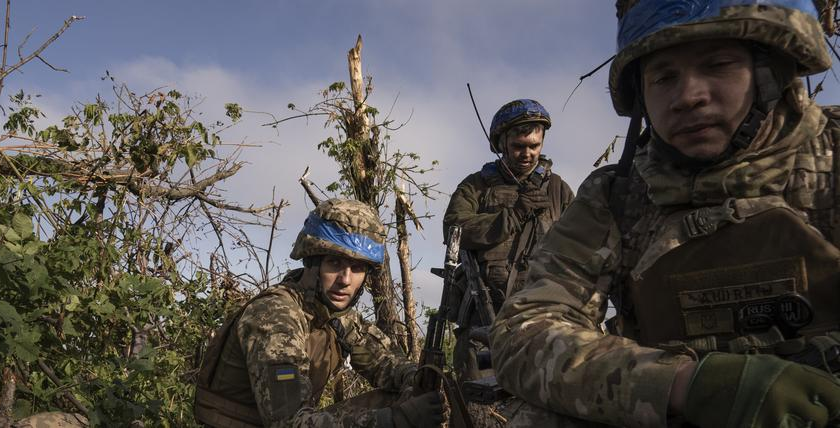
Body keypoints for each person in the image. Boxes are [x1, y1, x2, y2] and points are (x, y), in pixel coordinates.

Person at [490, 0, 840, 427]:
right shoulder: (615, 195)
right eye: (664, 78)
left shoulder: (832, 156)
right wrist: (680, 384)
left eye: (718, 65)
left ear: (770, 71)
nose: (688, 97)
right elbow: (523, 331)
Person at [194, 199, 448, 427]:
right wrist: (394, 420)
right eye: (334, 263)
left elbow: (386, 362)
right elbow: (291, 423)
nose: (345, 280)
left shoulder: (331, 314)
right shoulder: (275, 316)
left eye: (357, 268)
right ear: (312, 262)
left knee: (404, 398)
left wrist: (416, 380)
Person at [443, 98, 573, 381]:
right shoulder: (475, 186)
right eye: (518, 146)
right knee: (478, 399)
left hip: (545, 320)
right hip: (483, 319)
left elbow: (581, 247)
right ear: (501, 143)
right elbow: (453, 230)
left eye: (534, 146)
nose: (527, 154)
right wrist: (512, 215)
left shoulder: (559, 190)